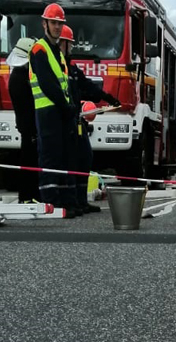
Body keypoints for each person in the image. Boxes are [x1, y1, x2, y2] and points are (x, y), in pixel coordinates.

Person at [59, 24, 121, 213]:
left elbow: (87, 86)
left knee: (84, 158)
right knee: (69, 162)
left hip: (77, 121)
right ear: (62, 43)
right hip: (64, 121)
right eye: (69, 44)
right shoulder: (57, 66)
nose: (71, 47)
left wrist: (107, 97)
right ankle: (69, 202)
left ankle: (80, 200)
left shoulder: (72, 68)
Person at [29, 2, 79, 218]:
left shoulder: (57, 53)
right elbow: (49, 84)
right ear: (45, 24)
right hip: (48, 111)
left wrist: (69, 108)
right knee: (50, 159)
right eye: (54, 23)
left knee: (64, 158)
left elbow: (63, 84)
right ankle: (51, 203)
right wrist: (65, 106)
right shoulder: (39, 49)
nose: (57, 27)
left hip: (60, 111)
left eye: (60, 24)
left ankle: (67, 202)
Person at [7, 37, 40, 203]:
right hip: (29, 127)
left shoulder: (17, 76)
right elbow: (27, 106)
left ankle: (28, 195)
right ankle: (28, 196)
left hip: (26, 126)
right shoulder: (20, 79)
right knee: (29, 162)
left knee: (29, 161)